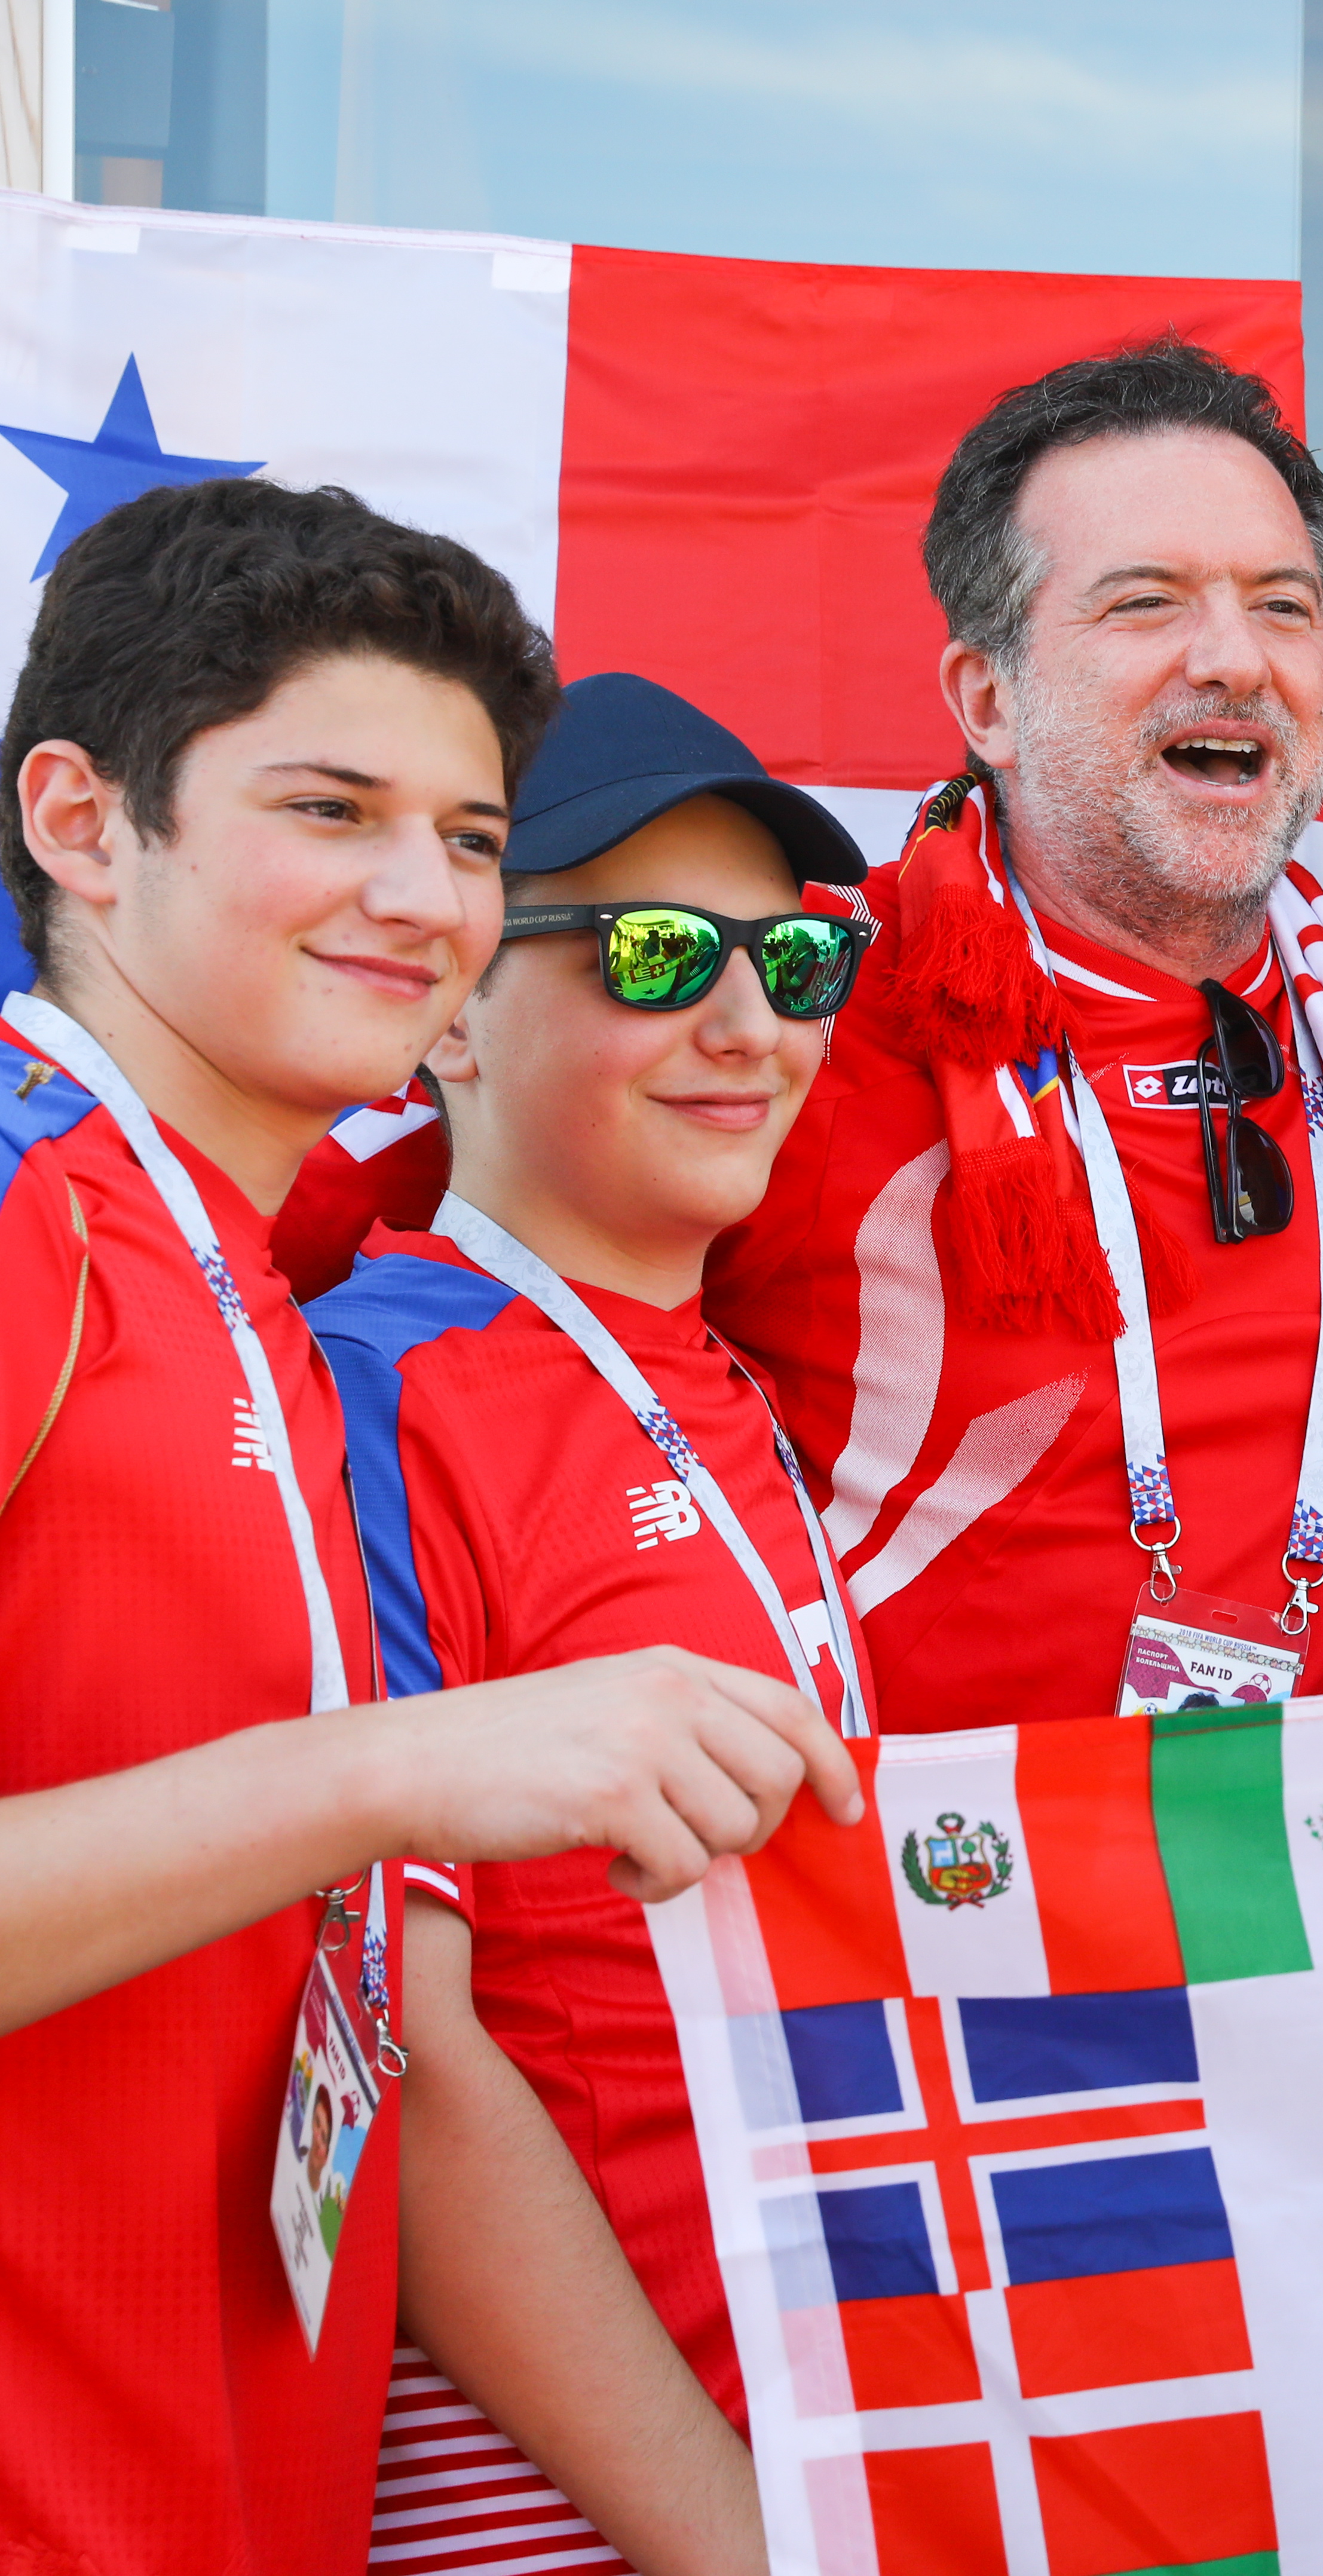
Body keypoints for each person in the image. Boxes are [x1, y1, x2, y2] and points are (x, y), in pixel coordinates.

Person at [0, 477, 854, 2572]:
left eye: (469, 840)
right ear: (85, 821)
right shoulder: (40, 1225)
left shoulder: (241, 1285)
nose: (419, 894)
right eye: (328, 809)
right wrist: (406, 1762)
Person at [703, 340, 1323, 1720]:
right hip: (922, 1902)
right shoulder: (796, 998)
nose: (1234, 659)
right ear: (987, 700)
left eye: (1281, 604)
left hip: (1320, 1893)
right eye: (1145, 603)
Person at [310, 675, 878, 2576]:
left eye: (796, 962)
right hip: (567, 2502)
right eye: (650, 952)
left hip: (800, 2426)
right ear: (448, 1009)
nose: (745, 1023)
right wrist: (730, 2536)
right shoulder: (374, 1399)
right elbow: (404, 2051)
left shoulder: (723, 1384)